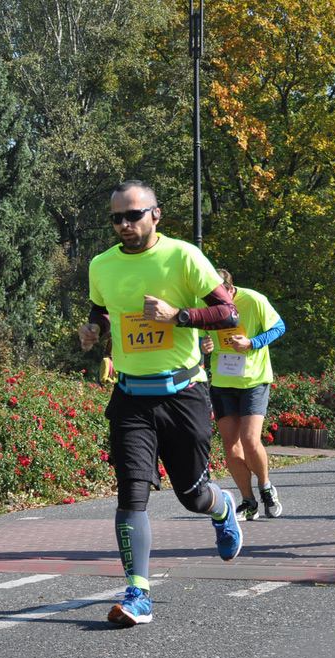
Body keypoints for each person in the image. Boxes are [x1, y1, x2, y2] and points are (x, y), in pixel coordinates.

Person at [79, 179, 242, 627]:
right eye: (116, 218)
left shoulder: (184, 257)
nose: (124, 224)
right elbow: (101, 309)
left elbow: (228, 313)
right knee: (131, 493)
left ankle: (222, 507)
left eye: (133, 215)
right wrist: (94, 329)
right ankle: (139, 593)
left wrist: (179, 316)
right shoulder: (101, 264)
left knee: (192, 495)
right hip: (131, 396)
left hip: (184, 394)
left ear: (156, 214)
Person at [200, 269, 286, 518]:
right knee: (231, 445)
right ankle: (248, 501)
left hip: (253, 380)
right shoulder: (204, 303)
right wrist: (202, 345)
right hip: (223, 381)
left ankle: (266, 486)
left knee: (250, 439)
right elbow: (197, 336)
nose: (215, 301)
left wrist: (252, 343)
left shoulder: (254, 300)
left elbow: (279, 327)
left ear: (230, 289)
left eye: (219, 295)